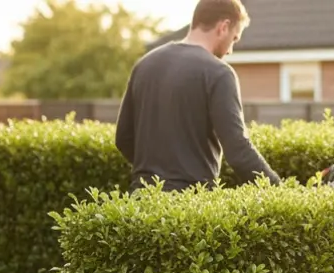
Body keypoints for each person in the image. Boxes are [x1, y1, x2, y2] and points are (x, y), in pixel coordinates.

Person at [114, 0, 280, 192]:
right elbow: (238, 150)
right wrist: (280, 191)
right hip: (189, 207)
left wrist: (157, 175)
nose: (230, 50)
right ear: (223, 27)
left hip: (141, 200)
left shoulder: (144, 64)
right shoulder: (218, 73)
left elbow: (123, 138)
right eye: (234, 39)